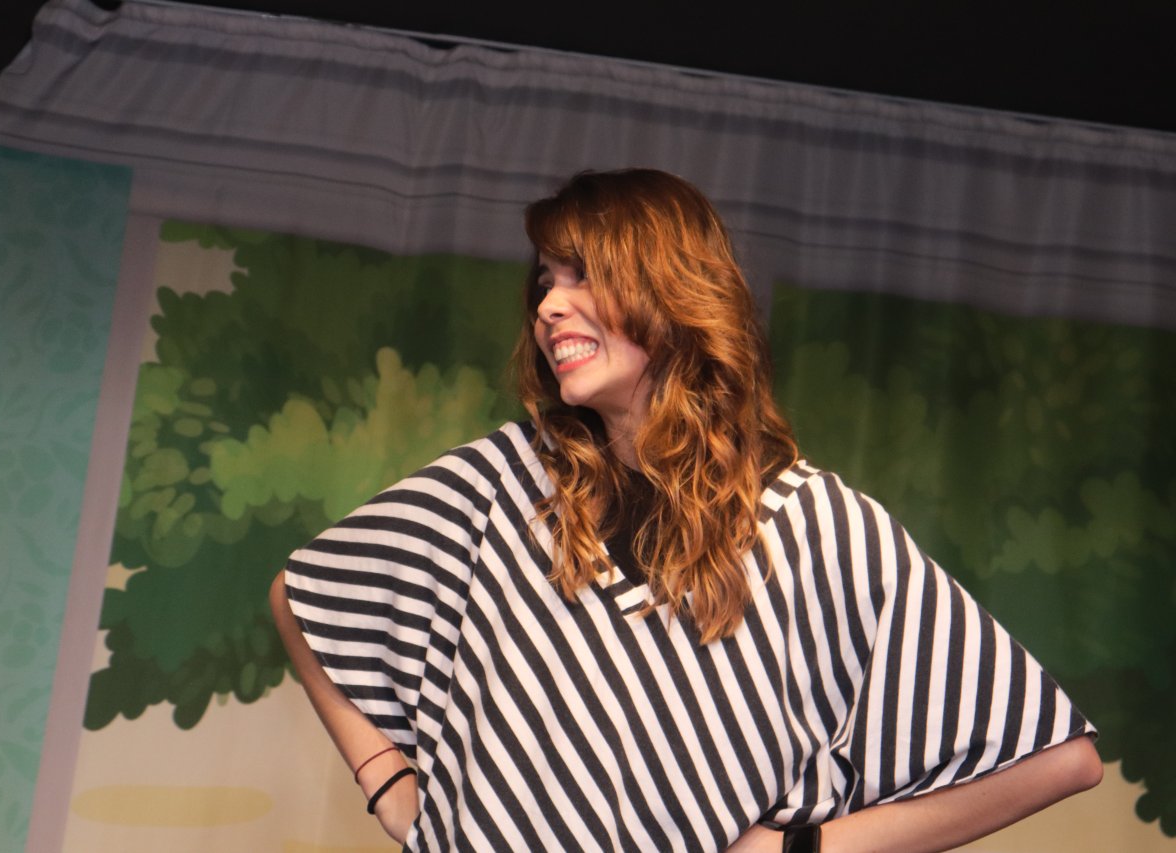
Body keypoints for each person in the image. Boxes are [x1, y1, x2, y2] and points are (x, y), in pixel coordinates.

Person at [270, 169, 1101, 852]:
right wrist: (390, 781)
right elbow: (301, 594)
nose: (548, 305)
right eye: (546, 282)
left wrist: (800, 849)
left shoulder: (812, 527)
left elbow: (1056, 758)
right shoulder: (502, 483)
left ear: (670, 291)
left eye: (581, 274)